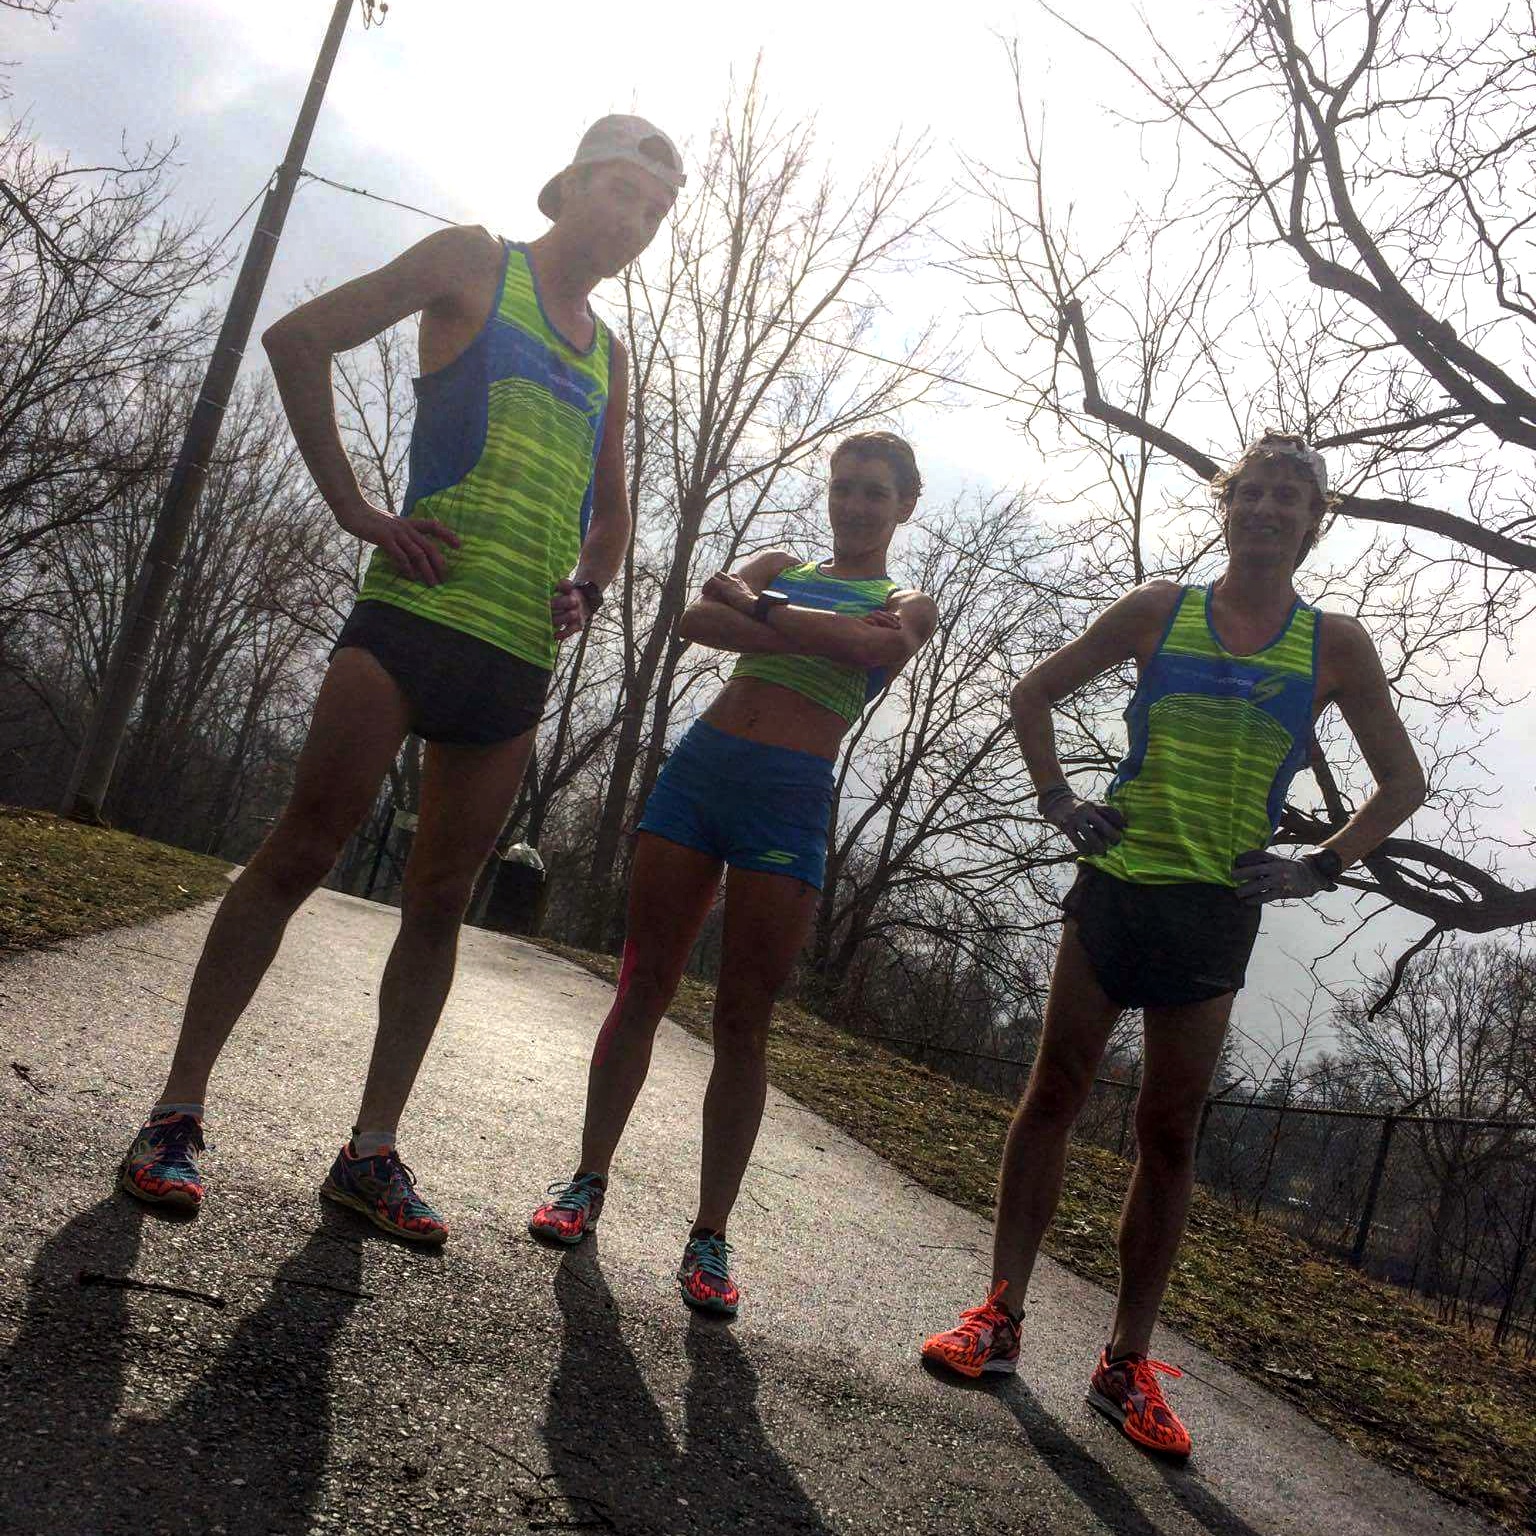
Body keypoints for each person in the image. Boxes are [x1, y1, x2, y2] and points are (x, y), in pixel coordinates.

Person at [117, 116, 686, 1244]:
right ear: (571, 185)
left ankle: (370, 1153)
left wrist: (588, 585)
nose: (636, 221)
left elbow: (614, 513)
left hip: (513, 658)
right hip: (408, 618)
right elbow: (299, 338)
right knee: (300, 850)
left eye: (657, 210)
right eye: (623, 192)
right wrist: (356, 508)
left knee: (440, 903)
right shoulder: (473, 261)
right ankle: (174, 1115)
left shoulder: (612, 354)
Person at [920, 432, 1426, 1457]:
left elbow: (1402, 782)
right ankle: (1000, 1315)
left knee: (1170, 1134)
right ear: (1227, 507)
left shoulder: (1334, 644)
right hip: (1116, 887)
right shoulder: (1160, 609)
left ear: (1312, 522)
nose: (1268, 509)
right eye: (1253, 493)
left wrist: (1322, 864)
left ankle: (1125, 1362)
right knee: (1053, 1094)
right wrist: (1058, 799)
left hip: (1214, 912)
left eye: (1289, 498)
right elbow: (1032, 692)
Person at [528, 432, 939, 1315]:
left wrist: (761, 612)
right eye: (844, 487)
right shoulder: (783, 564)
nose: (855, 504)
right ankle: (585, 1181)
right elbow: (698, 620)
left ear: (906, 505)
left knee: (743, 1020)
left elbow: (874, 649)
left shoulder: (905, 600)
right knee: (642, 983)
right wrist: (795, 619)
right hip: (702, 772)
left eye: (875, 492)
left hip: (788, 799)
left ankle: (710, 1235)